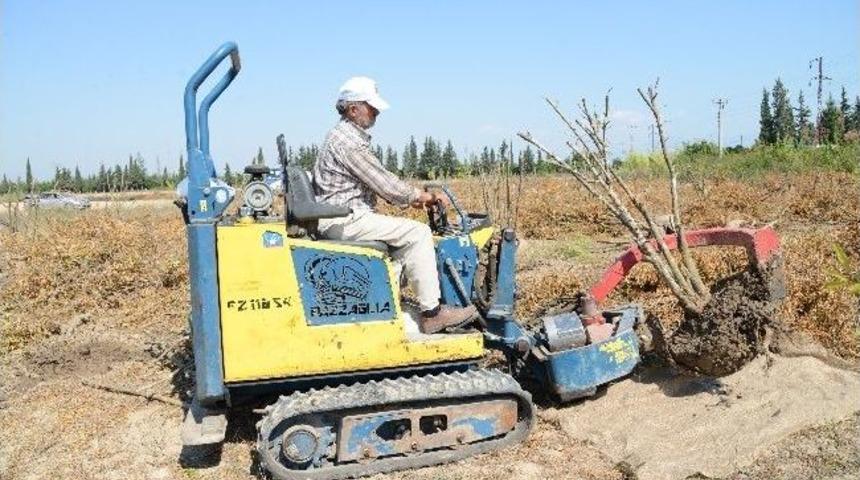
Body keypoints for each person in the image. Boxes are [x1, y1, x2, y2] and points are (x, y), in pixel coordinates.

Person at [312, 76, 477, 334]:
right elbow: (385, 184)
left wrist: (412, 198)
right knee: (417, 233)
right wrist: (421, 197)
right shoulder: (348, 143)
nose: (376, 112)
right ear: (353, 109)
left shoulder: (342, 137)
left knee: (402, 238)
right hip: (345, 219)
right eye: (371, 106)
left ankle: (395, 300)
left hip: (341, 215)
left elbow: (380, 181)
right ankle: (432, 313)